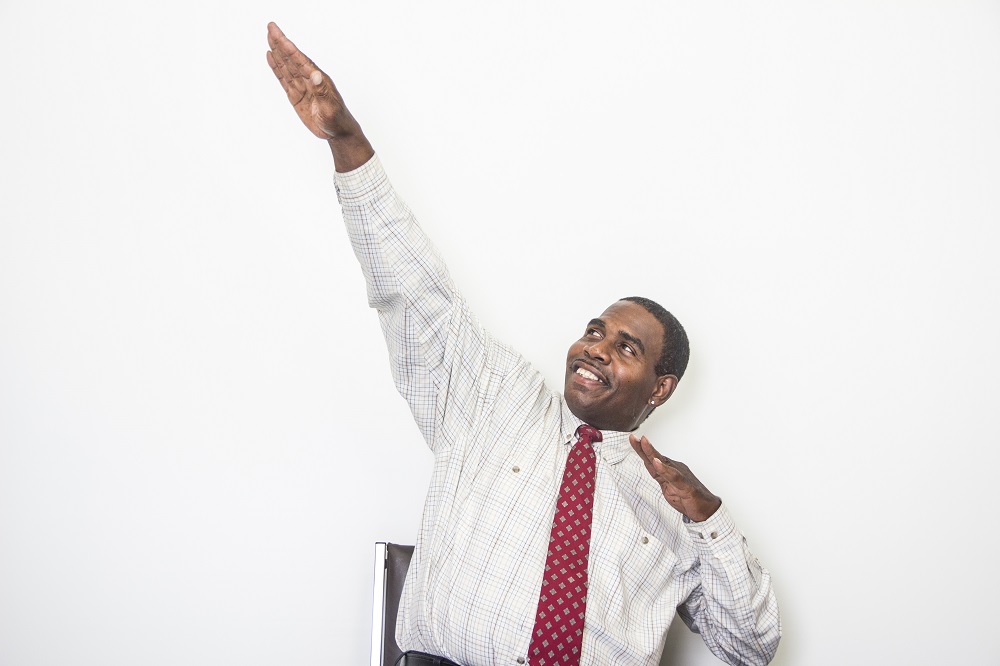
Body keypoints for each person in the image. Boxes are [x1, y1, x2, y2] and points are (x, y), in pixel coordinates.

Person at [265, 22, 780, 666]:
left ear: (661, 386)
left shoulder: (672, 506)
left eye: (626, 347)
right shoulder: (493, 398)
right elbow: (415, 293)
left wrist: (707, 518)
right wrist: (347, 140)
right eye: (595, 330)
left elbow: (751, 648)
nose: (596, 347)